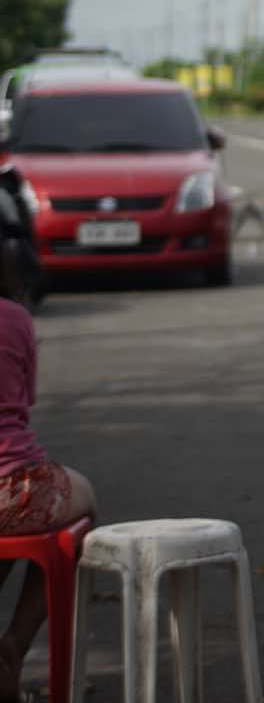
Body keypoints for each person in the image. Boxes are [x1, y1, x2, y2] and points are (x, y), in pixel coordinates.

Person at [0, 189, 94, 703]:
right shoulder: (15, 318)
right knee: (82, 502)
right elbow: (23, 402)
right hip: (12, 488)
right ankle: (15, 645)